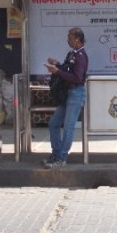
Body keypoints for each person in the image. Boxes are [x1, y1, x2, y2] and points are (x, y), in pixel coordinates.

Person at [43, 27, 88, 168]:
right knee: (54, 124)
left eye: (70, 38)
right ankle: (56, 154)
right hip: (67, 93)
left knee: (68, 127)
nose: (68, 40)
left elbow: (77, 78)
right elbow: (67, 69)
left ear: (77, 39)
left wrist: (58, 72)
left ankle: (61, 158)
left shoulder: (81, 56)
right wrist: (57, 65)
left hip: (76, 93)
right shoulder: (72, 54)